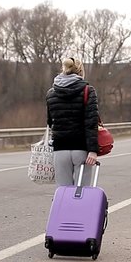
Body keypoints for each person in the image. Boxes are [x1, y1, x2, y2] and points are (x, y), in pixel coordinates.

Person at [46, 57, 98, 187]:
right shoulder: (88, 91)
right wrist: (93, 150)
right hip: (81, 149)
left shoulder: (51, 93)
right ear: (80, 71)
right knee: (82, 192)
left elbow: (50, 122)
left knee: (63, 192)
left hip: (60, 148)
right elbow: (91, 123)